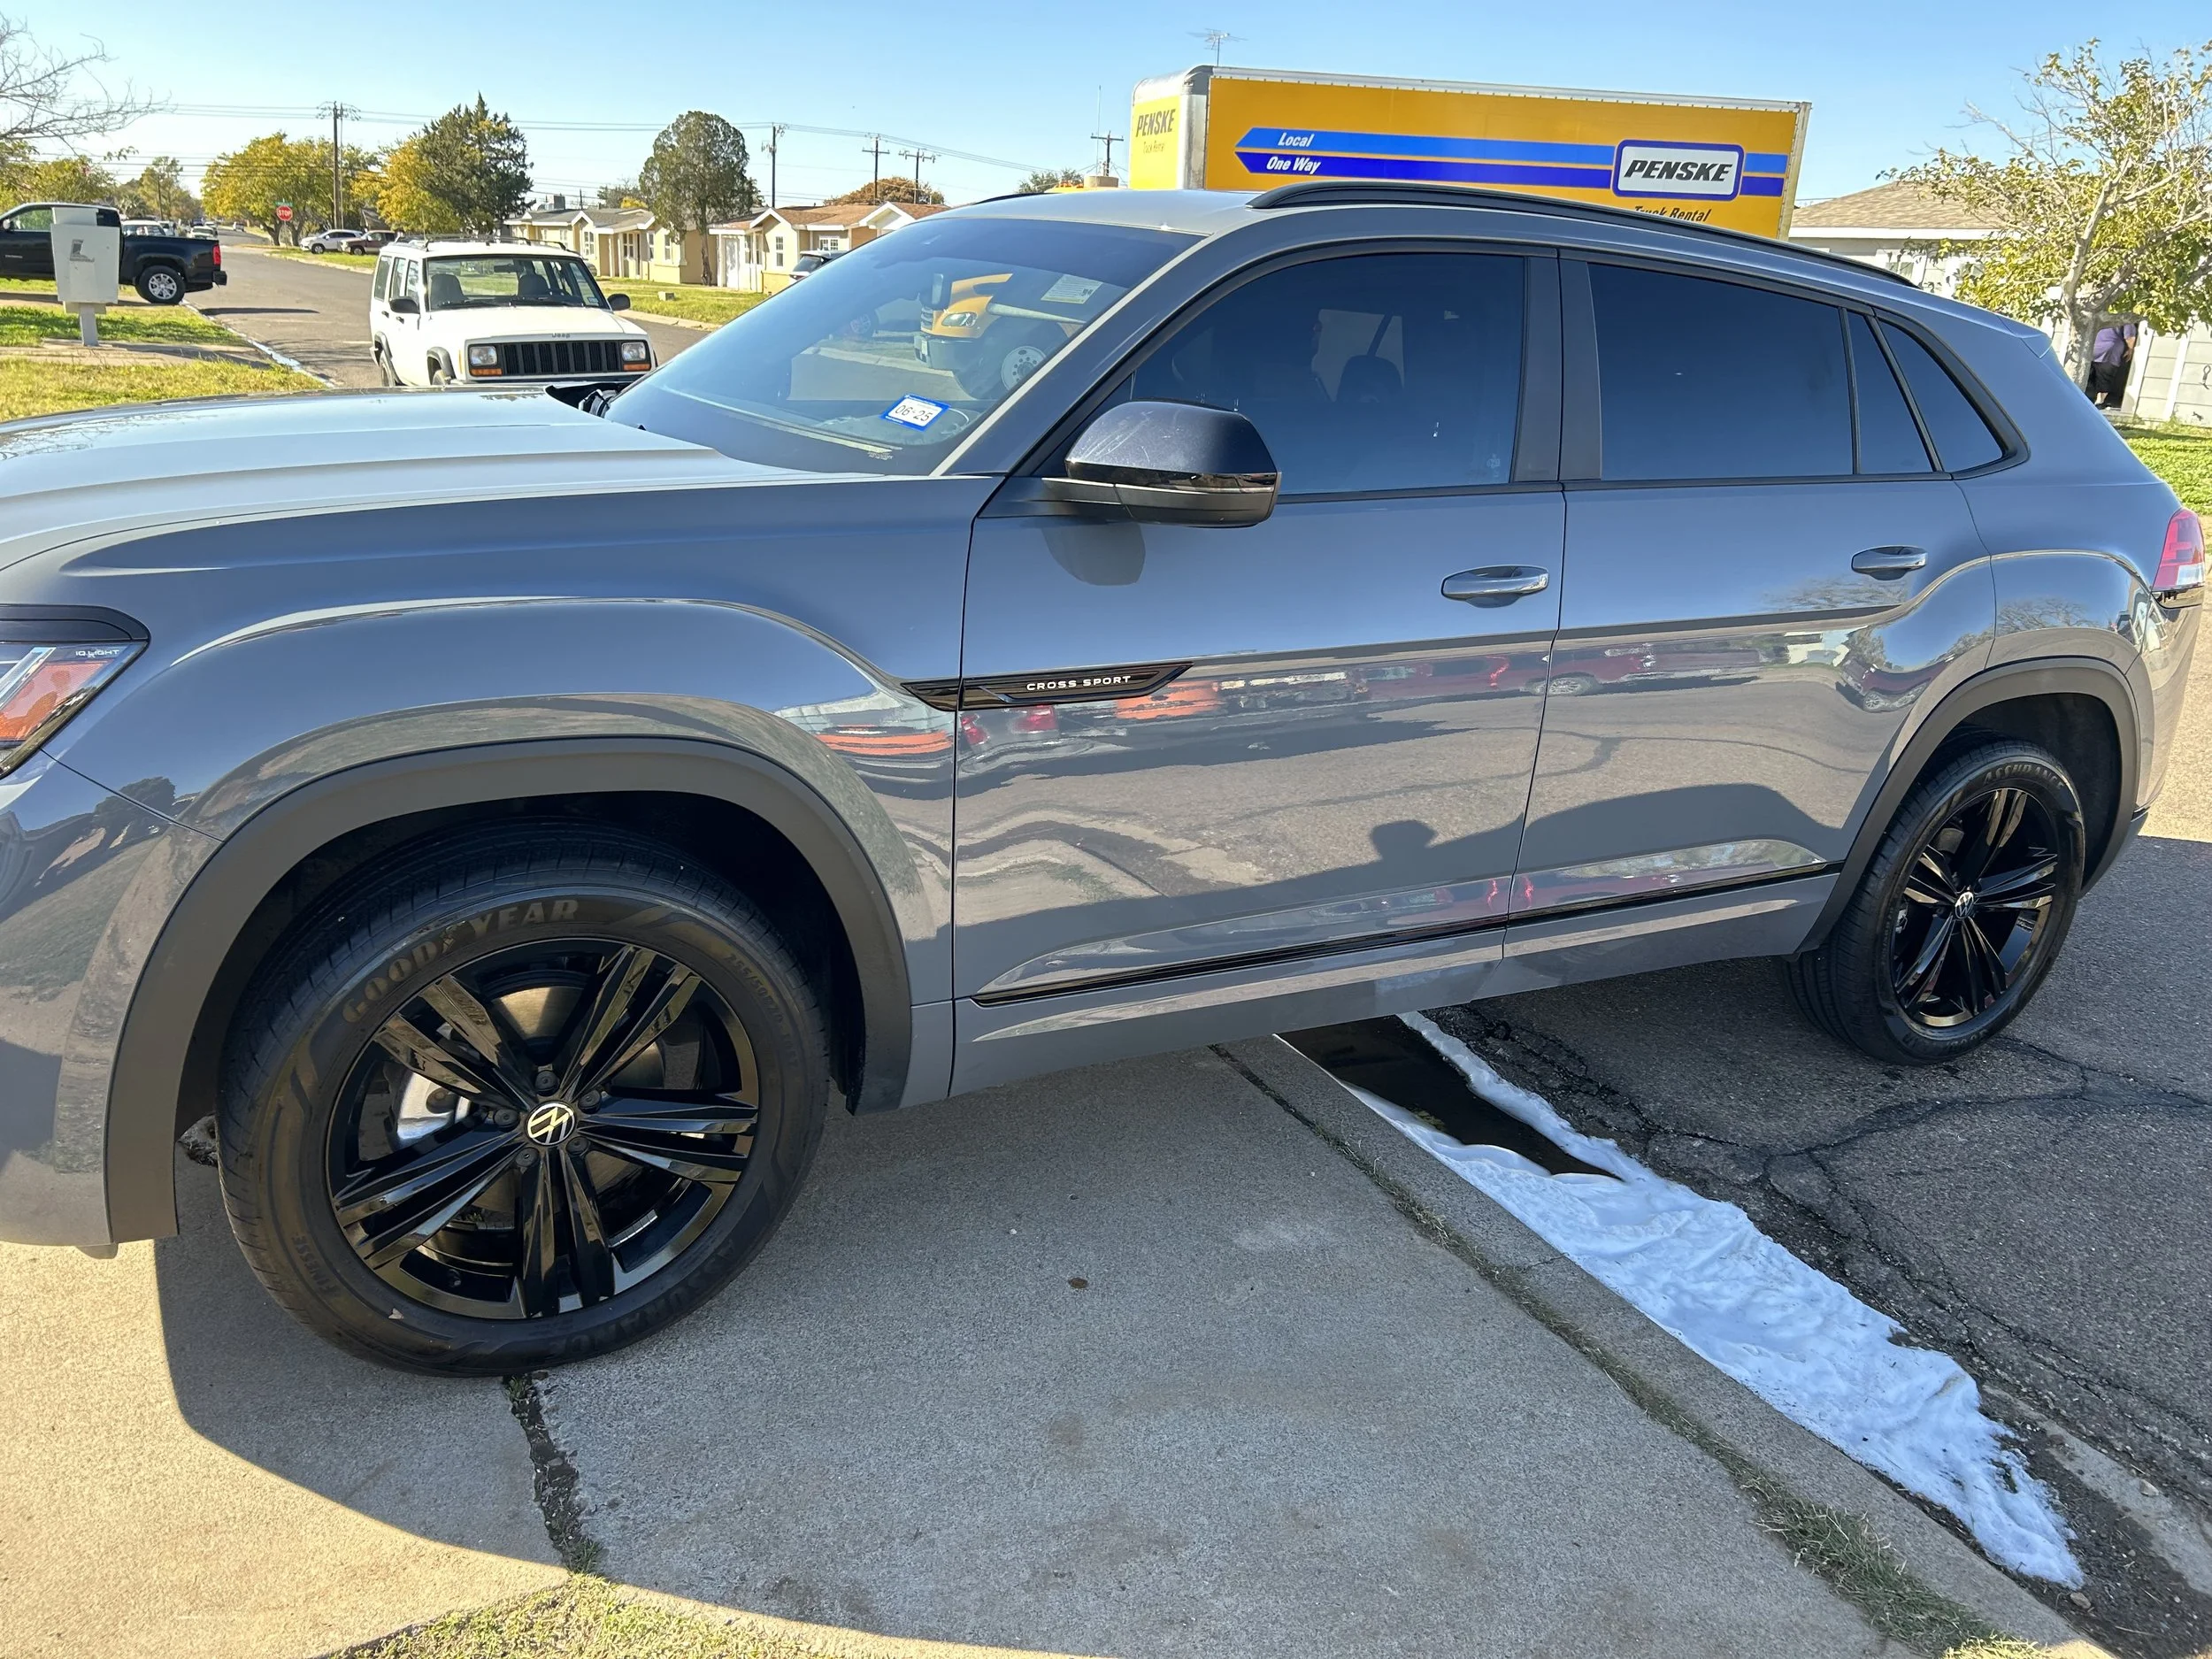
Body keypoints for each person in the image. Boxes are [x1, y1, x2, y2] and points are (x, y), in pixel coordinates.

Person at [2088, 319, 2138, 409]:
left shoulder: (2102, 312)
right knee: (2105, 376)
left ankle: (2089, 399)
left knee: (2090, 375)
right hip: (2110, 350)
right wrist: (2131, 350)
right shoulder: (2126, 316)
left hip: (2093, 346)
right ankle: (2099, 402)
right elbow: (2130, 337)